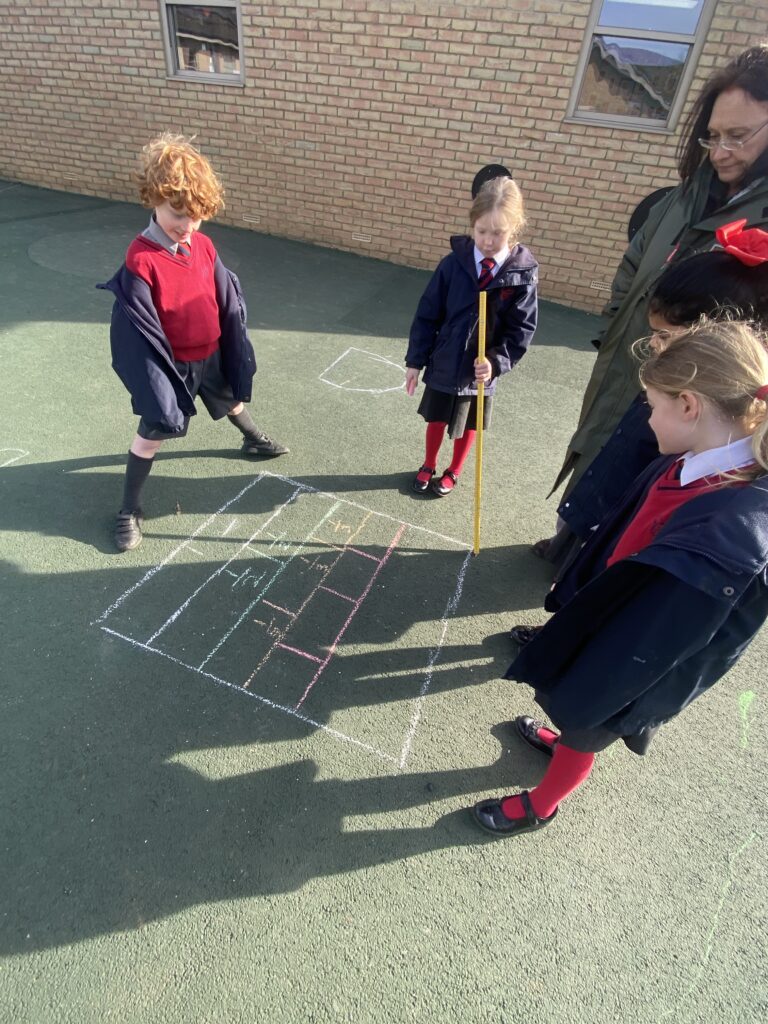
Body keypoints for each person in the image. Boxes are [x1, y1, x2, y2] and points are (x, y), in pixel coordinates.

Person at [471, 318, 768, 838]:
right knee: (574, 712)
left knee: (588, 723)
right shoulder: (691, 461)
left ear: (689, 406)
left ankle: (542, 803)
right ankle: (563, 742)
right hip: (615, 616)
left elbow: (671, 642)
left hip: (629, 660)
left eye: (651, 405)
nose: (648, 418)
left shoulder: (731, 533)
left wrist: (606, 681)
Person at [537, 44, 768, 557]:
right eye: (713, 135)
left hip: (696, 394)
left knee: (650, 491)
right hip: (633, 362)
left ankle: (595, 568)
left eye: (739, 136)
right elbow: (632, 266)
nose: (721, 150)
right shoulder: (683, 198)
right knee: (598, 454)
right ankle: (569, 542)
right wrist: (618, 323)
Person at [517, 220, 768, 587]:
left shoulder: (711, 441)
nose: (653, 345)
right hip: (611, 506)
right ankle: (569, 558)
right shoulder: (674, 388)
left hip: (628, 535)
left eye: (664, 336)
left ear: (716, 343)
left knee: (598, 579)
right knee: (586, 557)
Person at [99, 134, 287, 552]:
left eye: (196, 216)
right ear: (155, 198)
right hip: (173, 365)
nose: (186, 225)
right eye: (177, 213)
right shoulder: (141, 259)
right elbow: (139, 331)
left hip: (211, 353)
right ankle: (129, 509)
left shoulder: (201, 244)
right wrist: (158, 381)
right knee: (153, 431)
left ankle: (253, 439)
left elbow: (224, 297)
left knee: (230, 399)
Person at [405, 176, 537, 496]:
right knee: (436, 417)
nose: (488, 241)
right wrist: (415, 361)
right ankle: (429, 462)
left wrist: (495, 362)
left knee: (468, 423)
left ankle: (454, 470)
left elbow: (522, 329)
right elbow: (427, 314)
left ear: (514, 229)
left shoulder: (521, 275)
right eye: (482, 231)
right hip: (446, 359)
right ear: (472, 225)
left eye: (498, 233)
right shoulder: (452, 265)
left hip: (479, 370)